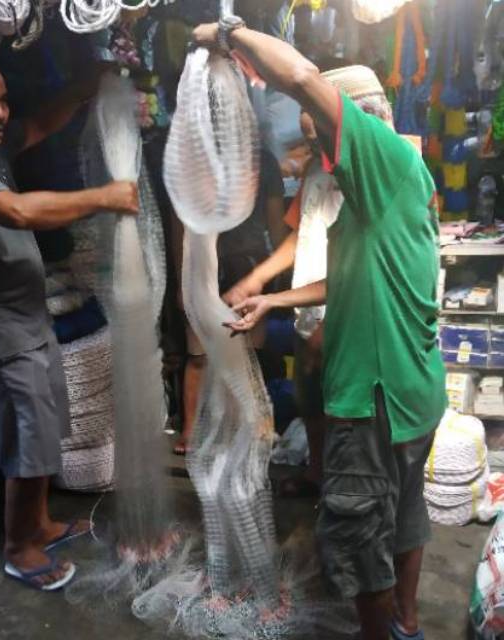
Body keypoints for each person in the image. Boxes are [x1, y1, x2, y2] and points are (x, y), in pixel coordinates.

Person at [194, 22, 446, 640]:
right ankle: (406, 623)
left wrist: (228, 32)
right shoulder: (394, 186)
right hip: (414, 392)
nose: (313, 156)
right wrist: (272, 297)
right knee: (404, 513)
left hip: (375, 398)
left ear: (352, 127)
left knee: (358, 530)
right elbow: (355, 276)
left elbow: (303, 77)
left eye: (318, 138)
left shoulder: (382, 159)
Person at [0, 50, 138, 591]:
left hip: (27, 321)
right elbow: (16, 212)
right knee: (25, 442)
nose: (0, 112)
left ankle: (39, 524)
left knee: (43, 433)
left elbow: (37, 126)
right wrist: (103, 197)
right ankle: (20, 549)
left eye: (3, 100)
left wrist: (82, 88)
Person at [224, 111, 341, 497]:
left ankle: (343, 487)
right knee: (309, 395)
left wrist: (274, 297)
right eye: (308, 141)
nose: (314, 148)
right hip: (307, 300)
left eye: (319, 138)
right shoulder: (314, 171)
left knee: (344, 407)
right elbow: (299, 232)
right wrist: (257, 277)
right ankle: (317, 473)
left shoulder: (365, 176)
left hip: (347, 309)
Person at [172, 147, 286, 455]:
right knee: (199, 352)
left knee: (247, 354)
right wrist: (181, 281)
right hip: (204, 265)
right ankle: (192, 429)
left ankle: (244, 428)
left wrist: (280, 270)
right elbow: (179, 222)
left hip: (249, 265)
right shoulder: (195, 157)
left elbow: (276, 225)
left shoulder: (263, 158)